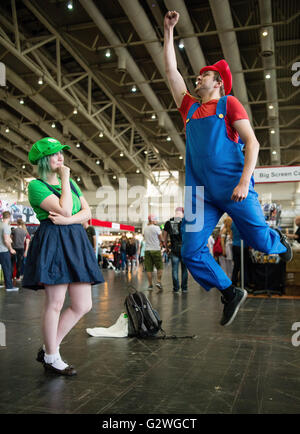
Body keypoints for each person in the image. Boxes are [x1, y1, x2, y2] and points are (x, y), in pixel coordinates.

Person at [164, 11, 292, 327]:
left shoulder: (229, 104)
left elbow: (253, 143)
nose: (197, 77)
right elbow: (170, 71)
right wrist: (168, 32)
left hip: (235, 186)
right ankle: (229, 292)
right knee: (191, 251)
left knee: (262, 244)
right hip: (199, 193)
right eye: (197, 75)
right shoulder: (189, 108)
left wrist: (245, 181)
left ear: (218, 81)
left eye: (204, 75)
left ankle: (279, 242)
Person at [22, 137, 104, 376]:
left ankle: (49, 348)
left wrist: (68, 220)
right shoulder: (36, 186)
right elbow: (67, 207)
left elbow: (86, 213)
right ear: (44, 160)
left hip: (75, 239)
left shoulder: (71, 184)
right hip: (54, 242)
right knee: (55, 303)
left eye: (61, 153)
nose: (61, 157)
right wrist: (66, 181)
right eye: (55, 153)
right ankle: (51, 355)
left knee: (83, 304)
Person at [163, 207, 188, 293]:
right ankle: (184, 288)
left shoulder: (168, 222)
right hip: (185, 249)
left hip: (174, 249)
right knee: (184, 270)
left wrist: (166, 247)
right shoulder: (186, 221)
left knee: (174, 270)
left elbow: (165, 237)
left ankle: (176, 288)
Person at [144, 214, 164, 292]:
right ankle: (158, 281)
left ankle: (150, 285)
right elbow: (161, 238)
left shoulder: (145, 229)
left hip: (147, 250)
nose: (157, 221)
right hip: (155, 249)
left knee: (149, 269)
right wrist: (162, 242)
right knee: (160, 267)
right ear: (153, 220)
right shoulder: (156, 228)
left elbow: (145, 238)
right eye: (156, 219)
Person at [0, 211, 18, 291]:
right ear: (9, 217)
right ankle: (9, 287)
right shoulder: (6, 226)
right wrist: (11, 249)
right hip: (3, 251)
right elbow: (6, 240)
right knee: (7, 268)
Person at [231, 221, 250, 288]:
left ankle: (234, 283)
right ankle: (244, 284)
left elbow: (232, 235)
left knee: (236, 266)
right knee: (244, 266)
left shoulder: (233, 223)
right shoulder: (244, 222)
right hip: (243, 246)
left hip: (235, 246)